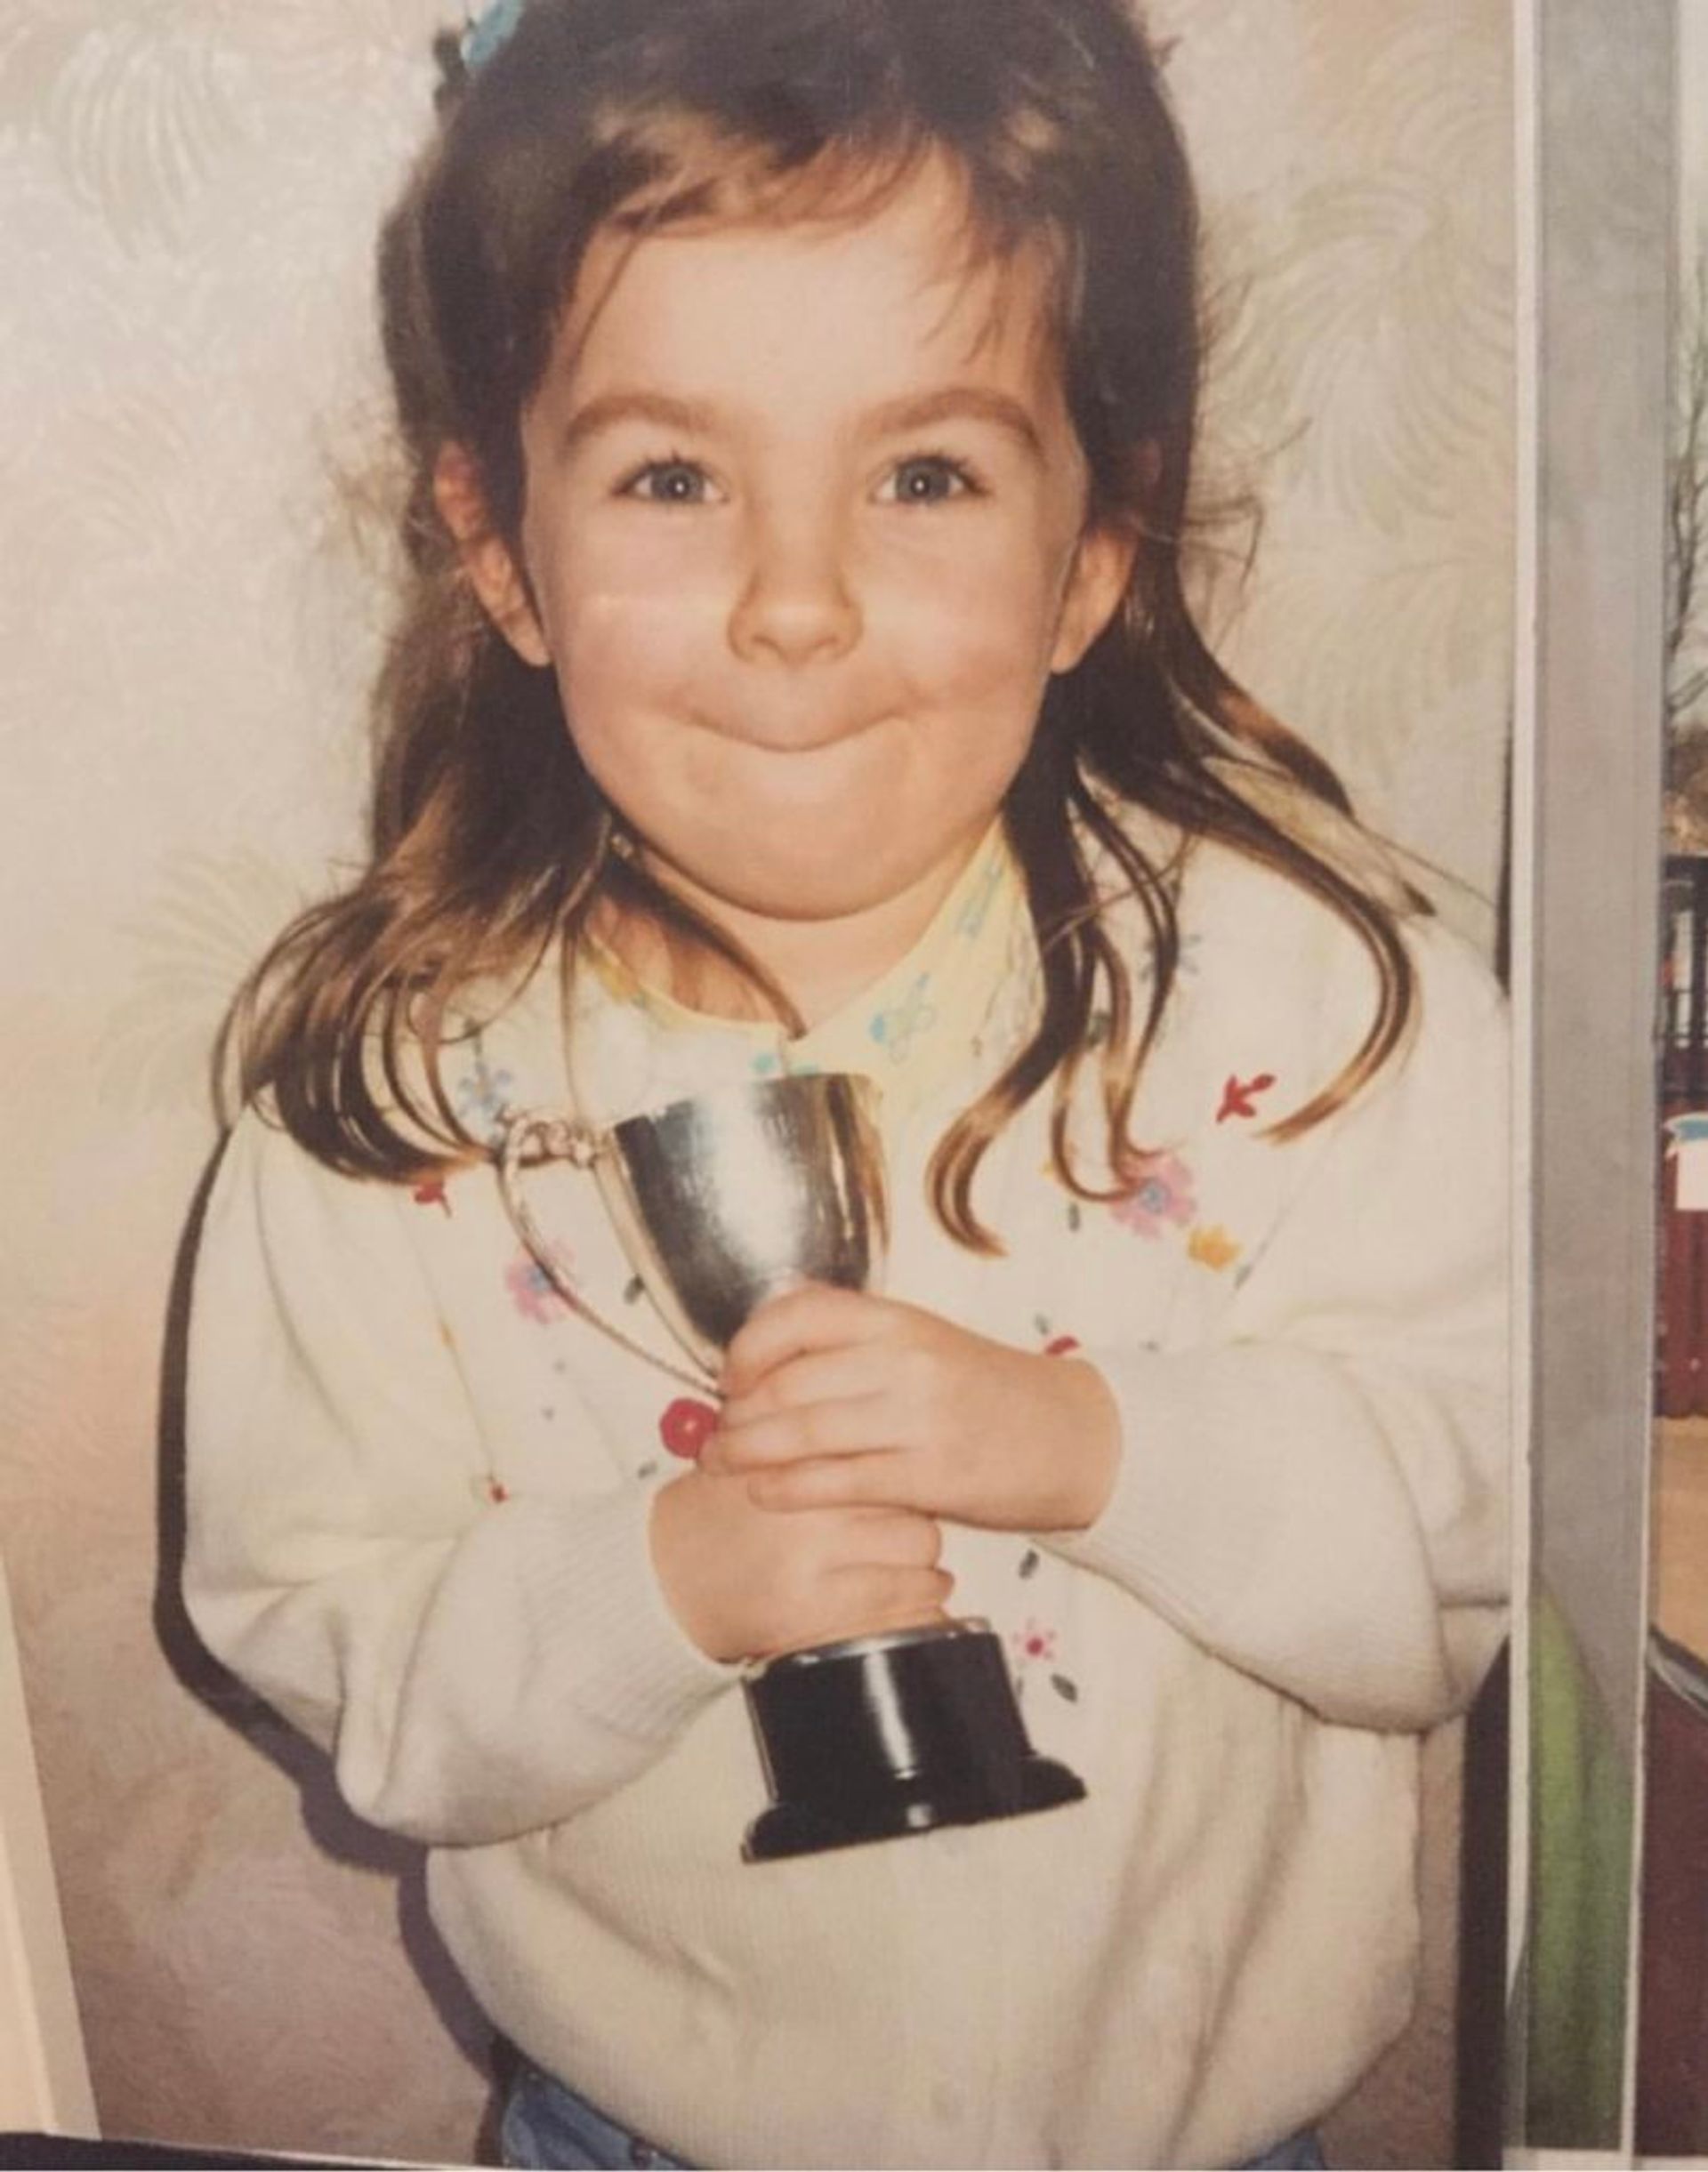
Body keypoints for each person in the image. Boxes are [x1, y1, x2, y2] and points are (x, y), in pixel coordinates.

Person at [181, 2, 1510, 2166]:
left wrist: (1093, 1443)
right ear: (501, 544)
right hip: (648, 2131)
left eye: (924, 474)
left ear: (1096, 545)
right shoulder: (393, 1103)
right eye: (674, 476)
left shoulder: (1324, 1011)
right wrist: (665, 1586)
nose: (795, 604)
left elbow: (1465, 1548)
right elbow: (329, 1629)